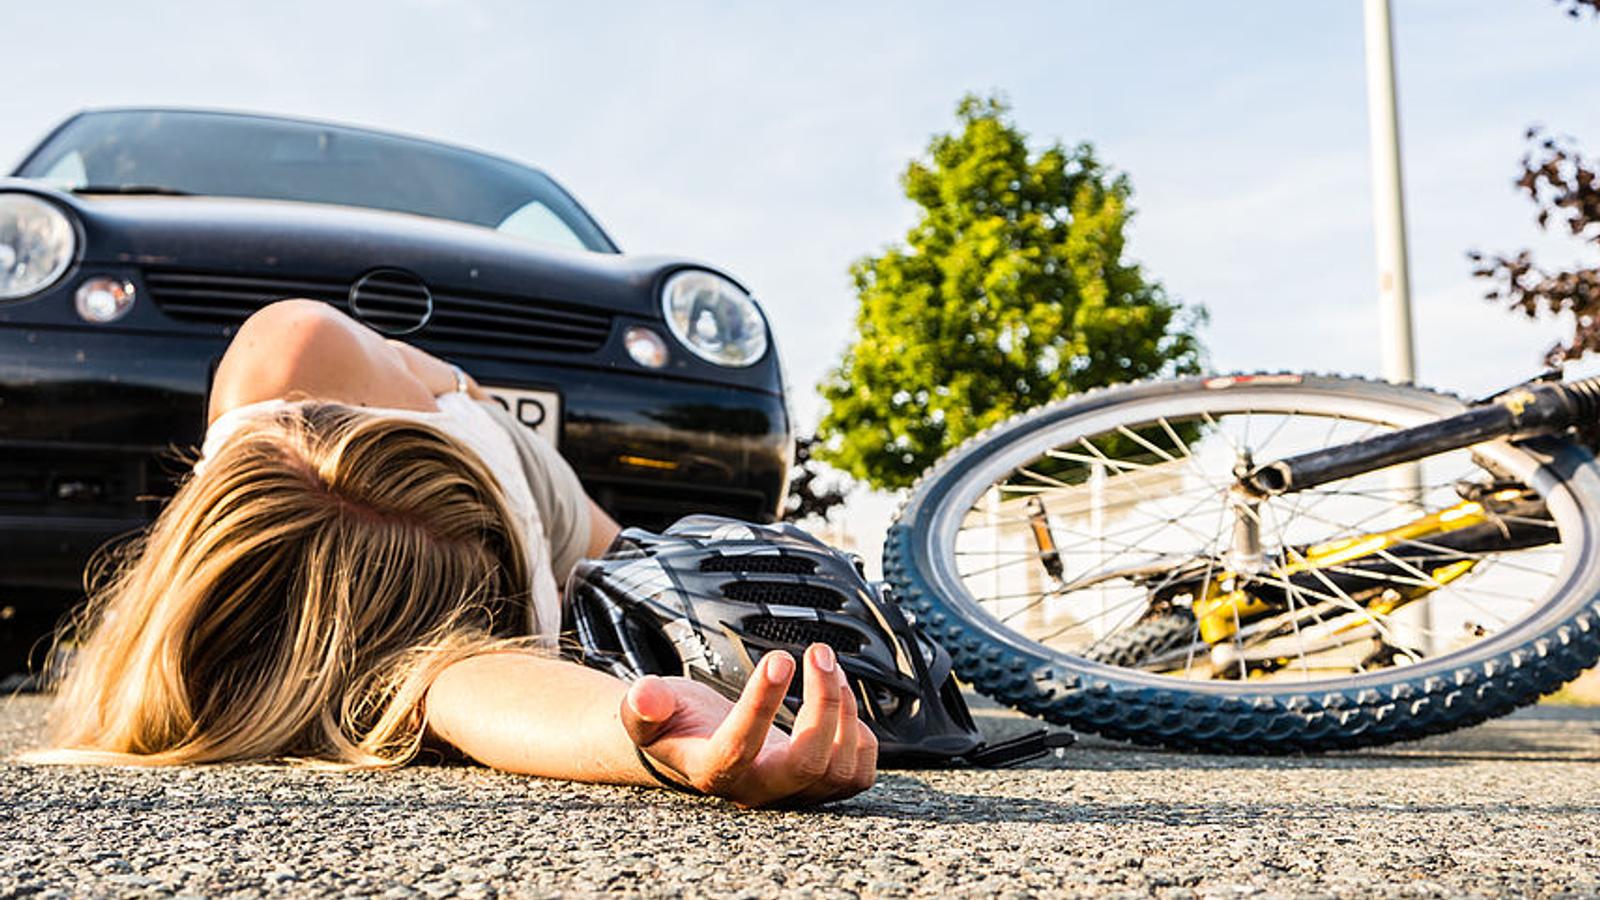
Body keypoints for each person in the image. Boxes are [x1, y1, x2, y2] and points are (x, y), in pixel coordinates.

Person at [28, 299, 876, 808]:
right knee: (645, 570)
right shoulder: (432, 660)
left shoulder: (291, 352)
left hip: (486, 451)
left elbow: (453, 681)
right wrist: (654, 731)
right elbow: (463, 686)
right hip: (512, 498)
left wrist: (464, 395)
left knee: (635, 559)